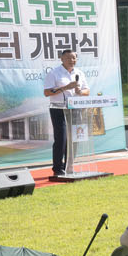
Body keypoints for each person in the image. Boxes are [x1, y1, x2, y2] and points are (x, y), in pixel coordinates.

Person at [41, 46, 89, 178]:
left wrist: (80, 91)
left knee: (74, 139)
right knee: (61, 139)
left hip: (75, 109)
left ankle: (69, 166)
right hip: (58, 109)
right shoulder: (54, 73)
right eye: (68, 58)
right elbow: (47, 92)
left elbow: (87, 91)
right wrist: (66, 87)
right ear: (62, 59)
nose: (71, 60)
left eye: (73, 58)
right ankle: (58, 168)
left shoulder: (79, 73)